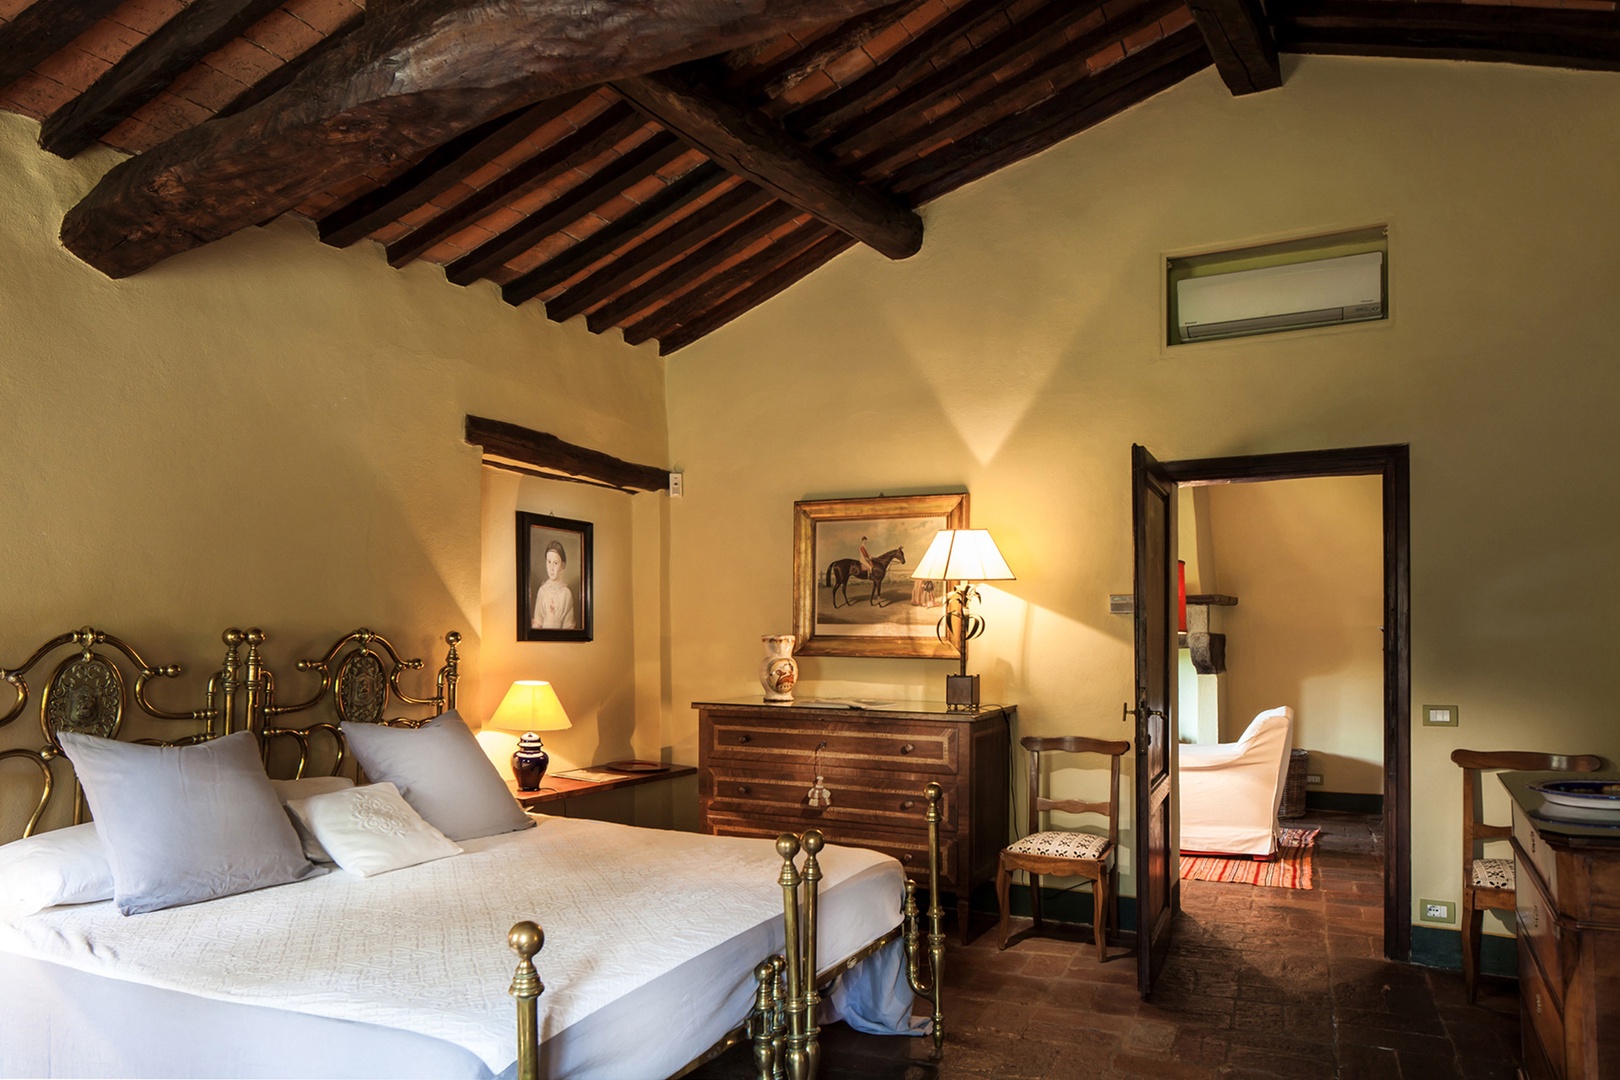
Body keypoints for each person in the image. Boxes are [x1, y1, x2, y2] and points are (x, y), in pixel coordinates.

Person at [532, 540, 576, 630]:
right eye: (549, 562)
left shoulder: (566, 593)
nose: (551, 568)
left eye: (555, 563)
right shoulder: (542, 591)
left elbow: (568, 626)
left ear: (562, 565)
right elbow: (537, 621)